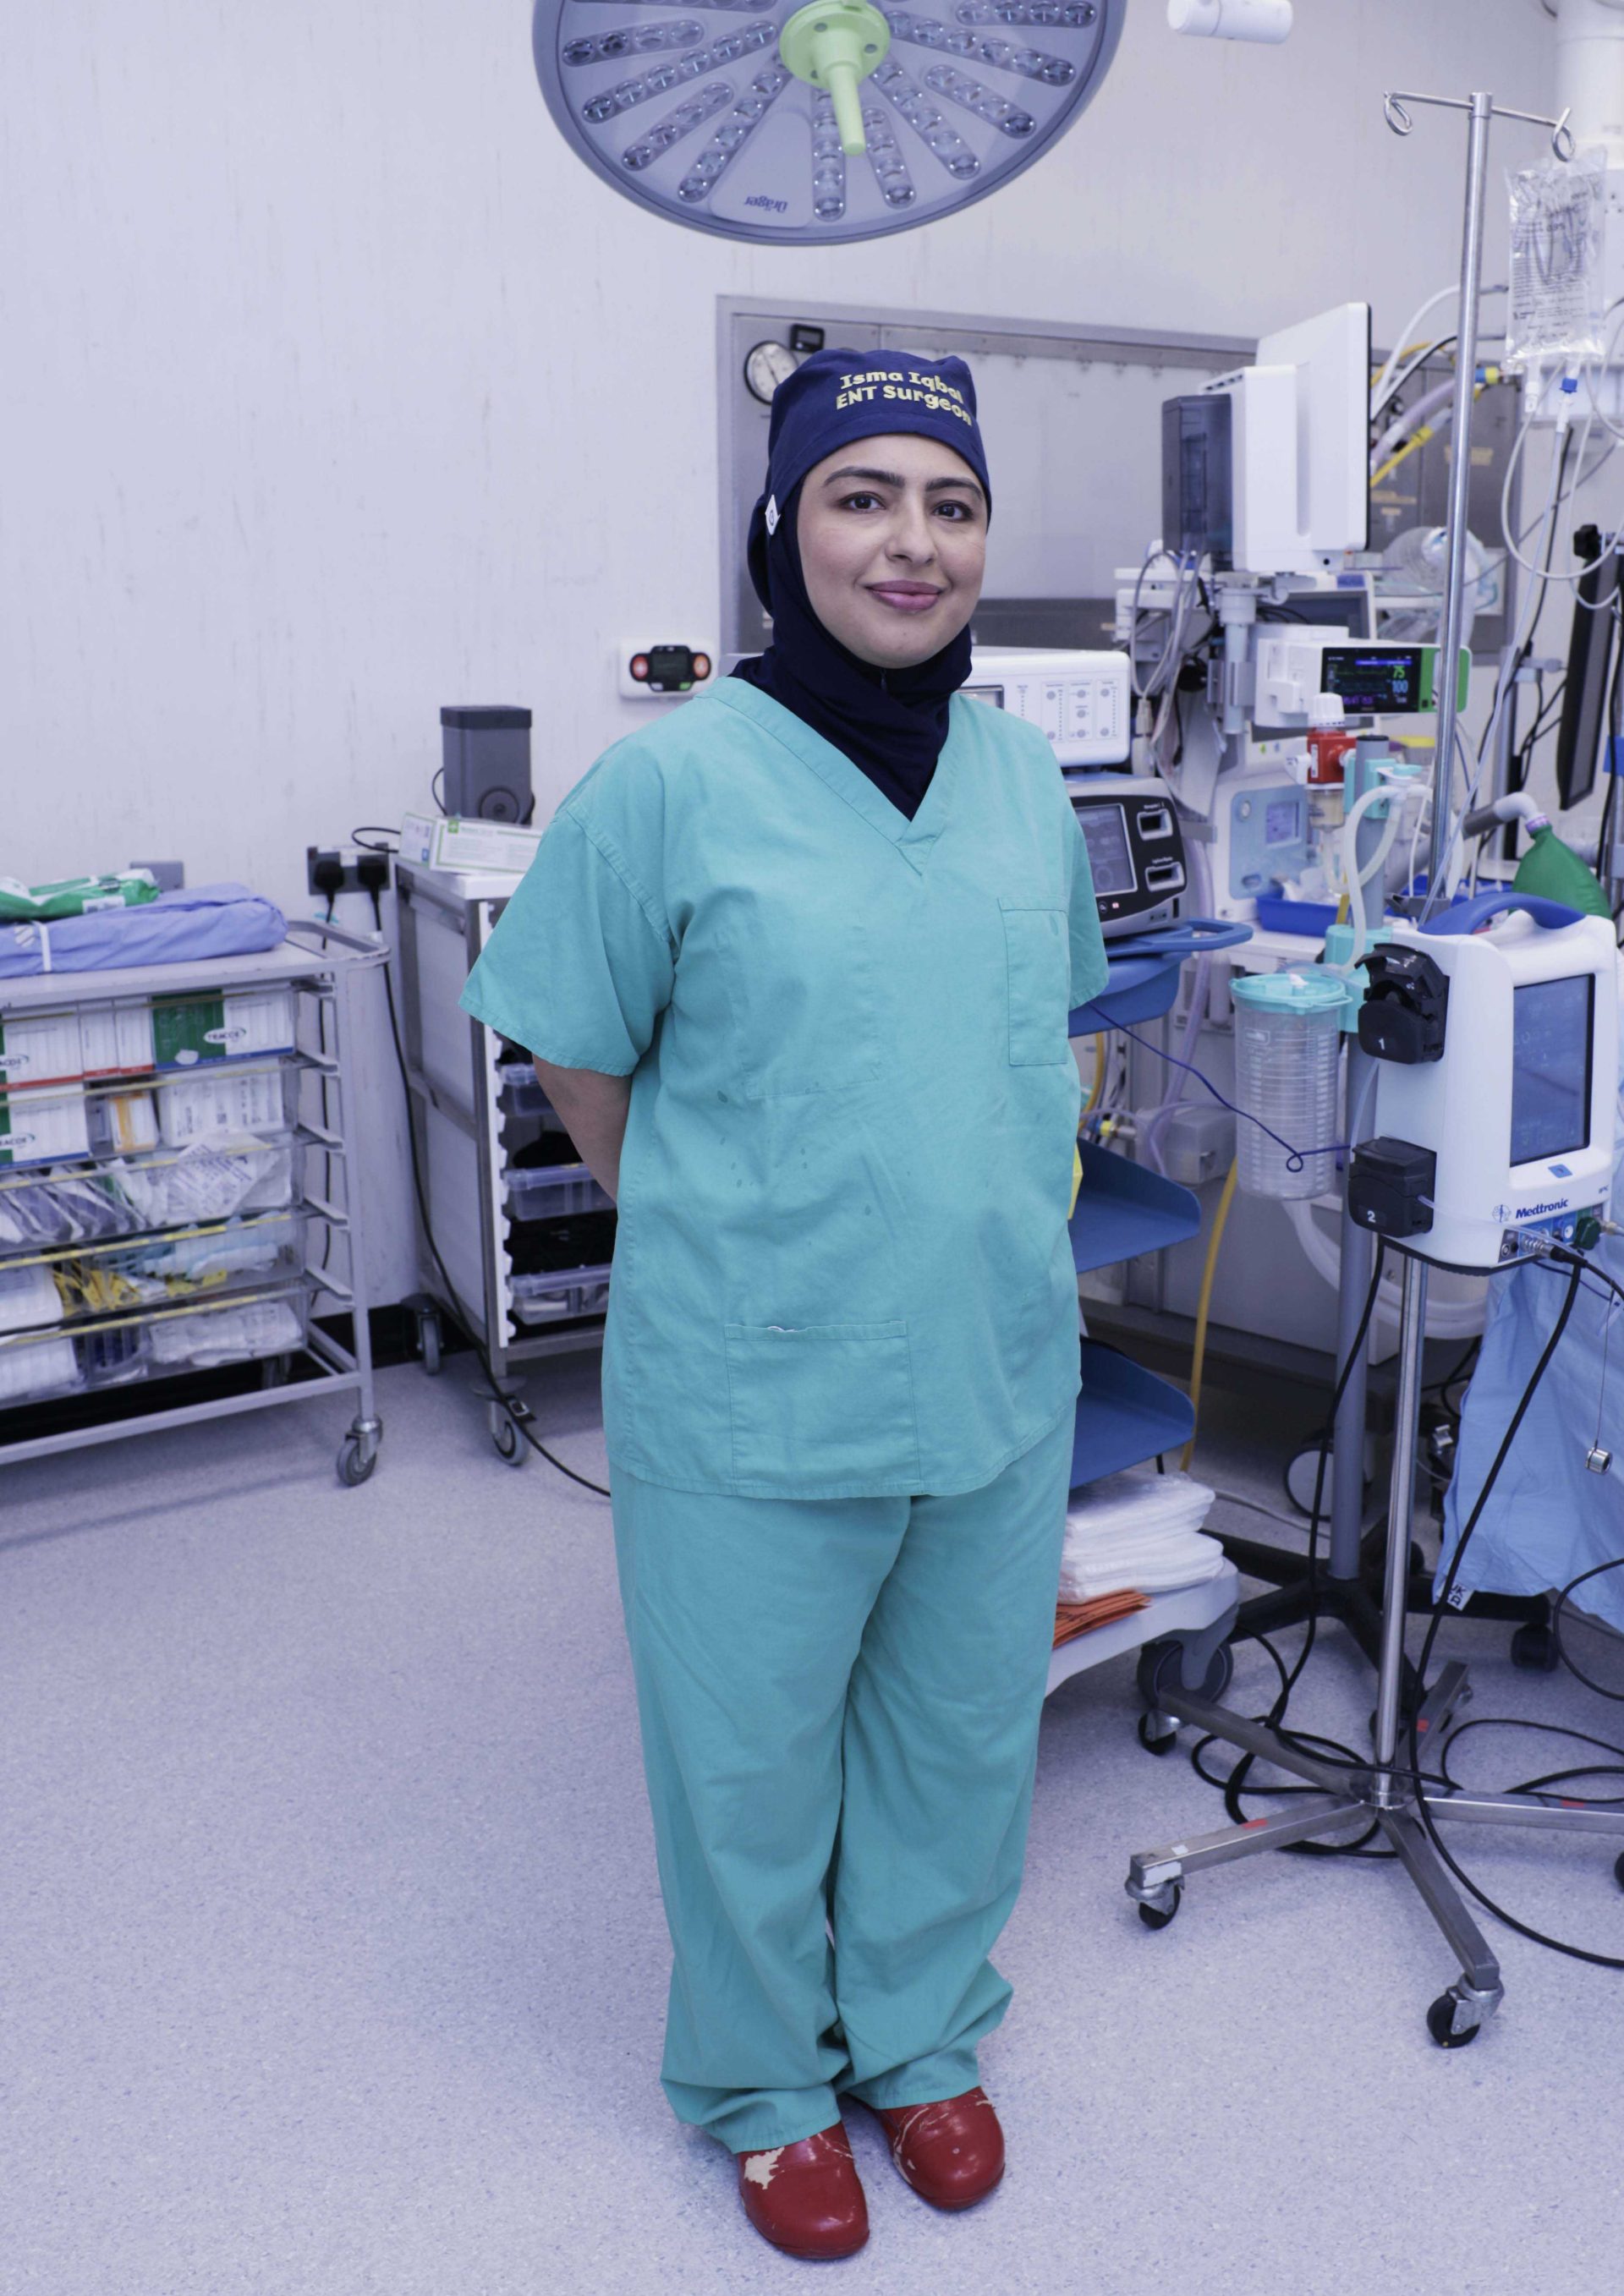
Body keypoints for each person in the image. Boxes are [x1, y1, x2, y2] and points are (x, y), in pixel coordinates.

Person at [461, 347, 1106, 2260]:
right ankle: (760, 2082)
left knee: (962, 1735)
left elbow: (1047, 1027)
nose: (912, 542)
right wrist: (721, 1208)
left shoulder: (1014, 774)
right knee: (747, 1755)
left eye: (952, 503)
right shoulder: (668, 781)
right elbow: (580, 1055)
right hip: (754, 1369)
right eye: (863, 495)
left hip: (992, 1349)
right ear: (783, 525)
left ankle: (918, 2039)